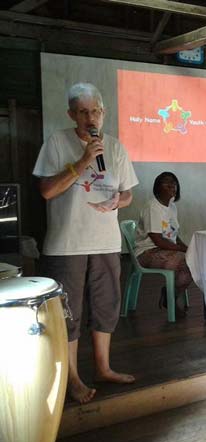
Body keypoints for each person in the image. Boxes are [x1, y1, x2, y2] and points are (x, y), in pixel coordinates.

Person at [33, 82, 138, 404]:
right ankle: (72, 377)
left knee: (106, 305)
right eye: (82, 112)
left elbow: (128, 193)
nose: (90, 118)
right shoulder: (57, 142)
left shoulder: (115, 147)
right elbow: (47, 191)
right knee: (69, 312)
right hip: (67, 243)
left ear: (103, 113)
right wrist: (82, 161)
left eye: (95, 111)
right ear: (71, 114)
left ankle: (103, 368)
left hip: (106, 242)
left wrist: (118, 201)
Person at [135, 172, 192, 310]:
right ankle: (171, 298)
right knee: (186, 263)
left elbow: (173, 235)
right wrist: (182, 250)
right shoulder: (152, 207)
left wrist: (188, 249)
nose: (172, 185)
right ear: (157, 188)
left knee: (194, 261)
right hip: (147, 252)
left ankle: (170, 294)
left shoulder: (172, 207)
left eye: (174, 183)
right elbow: (158, 241)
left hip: (165, 249)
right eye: (167, 183)